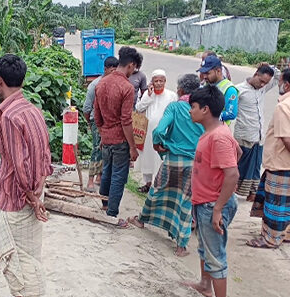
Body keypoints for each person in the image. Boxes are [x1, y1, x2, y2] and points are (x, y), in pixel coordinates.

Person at [0, 54, 53, 297]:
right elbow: (44, 154)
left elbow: (19, 165)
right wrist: (38, 192)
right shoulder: (32, 110)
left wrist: (31, 196)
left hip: (17, 198)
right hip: (31, 193)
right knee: (28, 252)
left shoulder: (9, 117)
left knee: (16, 258)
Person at [126, 74, 203, 256]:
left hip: (173, 159)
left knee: (158, 191)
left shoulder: (175, 107)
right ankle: (181, 245)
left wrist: (162, 147)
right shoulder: (202, 110)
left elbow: (159, 131)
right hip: (194, 164)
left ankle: (142, 220)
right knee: (185, 202)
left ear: (181, 90)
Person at [182, 86, 240, 297]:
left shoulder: (218, 137)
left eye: (193, 107)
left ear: (205, 109)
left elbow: (232, 174)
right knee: (205, 248)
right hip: (204, 201)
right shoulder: (215, 132)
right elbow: (237, 152)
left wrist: (217, 209)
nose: (190, 111)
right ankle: (205, 285)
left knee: (216, 255)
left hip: (212, 205)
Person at [247, 67, 290, 249]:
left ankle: (270, 239)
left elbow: (285, 137)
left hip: (283, 163)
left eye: (280, 81)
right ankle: (289, 235)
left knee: (276, 205)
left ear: (286, 84)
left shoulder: (284, 106)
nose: (278, 84)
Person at [94, 46, 141, 222]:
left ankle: (105, 203)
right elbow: (126, 120)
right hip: (120, 139)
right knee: (118, 176)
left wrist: (102, 134)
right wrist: (133, 147)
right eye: (133, 69)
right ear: (131, 65)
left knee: (107, 170)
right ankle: (112, 214)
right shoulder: (127, 87)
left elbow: (96, 115)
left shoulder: (101, 83)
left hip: (106, 137)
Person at [234, 64, 279, 201]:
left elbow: (277, 76)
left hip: (258, 135)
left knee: (256, 166)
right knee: (240, 165)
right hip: (243, 135)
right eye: (261, 81)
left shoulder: (262, 89)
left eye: (265, 82)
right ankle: (231, 190)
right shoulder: (238, 90)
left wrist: (269, 66)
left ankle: (252, 194)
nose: (262, 84)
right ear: (255, 74)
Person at [134, 69, 178, 192]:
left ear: (165, 81)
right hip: (148, 134)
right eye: (156, 81)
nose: (158, 83)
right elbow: (139, 108)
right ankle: (148, 184)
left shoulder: (171, 95)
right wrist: (148, 96)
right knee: (147, 158)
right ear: (152, 82)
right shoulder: (148, 94)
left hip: (163, 133)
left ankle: (157, 185)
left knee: (159, 159)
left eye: (161, 81)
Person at [82, 56, 119, 192]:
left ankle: (100, 176)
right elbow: (86, 108)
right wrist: (92, 122)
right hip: (97, 122)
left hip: (110, 122)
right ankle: (90, 180)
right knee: (97, 149)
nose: (114, 73)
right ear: (105, 69)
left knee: (107, 150)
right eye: (112, 70)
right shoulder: (95, 85)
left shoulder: (116, 84)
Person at [198, 55, 238, 124]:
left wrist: (208, 117)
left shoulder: (229, 89)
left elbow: (231, 114)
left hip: (219, 129)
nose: (204, 76)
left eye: (208, 73)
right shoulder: (205, 84)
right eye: (203, 73)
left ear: (218, 71)